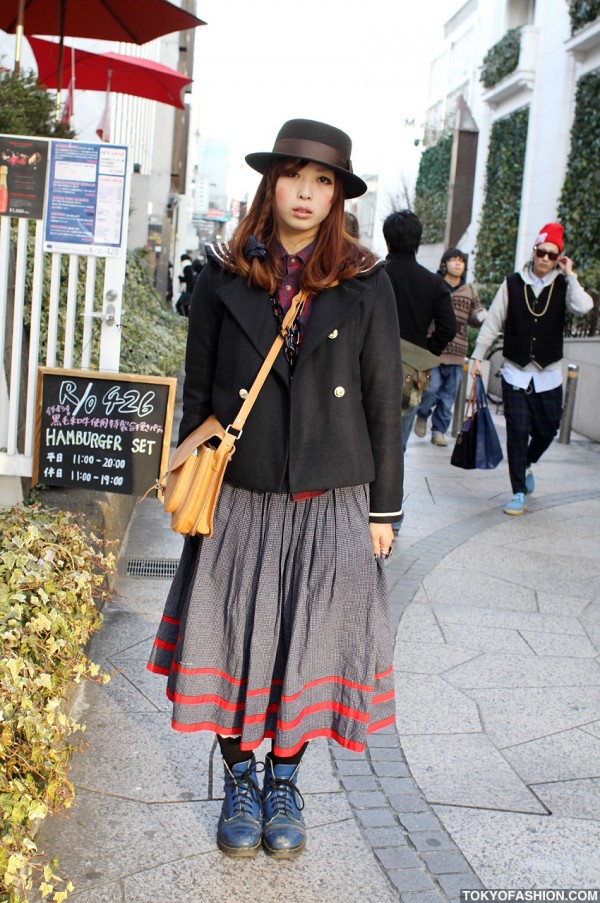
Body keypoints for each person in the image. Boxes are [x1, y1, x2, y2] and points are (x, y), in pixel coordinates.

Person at [147, 119, 404, 860]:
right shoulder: (223, 276)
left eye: (324, 181)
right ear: (273, 182)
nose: (307, 192)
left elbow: (384, 401)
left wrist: (384, 510)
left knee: (309, 639)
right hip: (242, 491)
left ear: (339, 196)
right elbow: (198, 394)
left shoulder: (364, 280)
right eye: (296, 175)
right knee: (232, 631)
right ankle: (239, 778)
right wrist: (187, 480)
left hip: (332, 493)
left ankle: (285, 779)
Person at [471, 222, 593, 516]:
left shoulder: (563, 285)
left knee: (548, 428)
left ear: (559, 258)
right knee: (517, 431)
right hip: (515, 371)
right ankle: (517, 491)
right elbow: (493, 322)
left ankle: (527, 461)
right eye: (542, 252)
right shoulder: (512, 283)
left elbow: (585, 307)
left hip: (548, 374)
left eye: (552, 255)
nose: (545, 259)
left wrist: (571, 275)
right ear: (534, 251)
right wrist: (478, 356)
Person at [382, 210, 457, 452]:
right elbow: (448, 327)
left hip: (373, 362)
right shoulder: (434, 283)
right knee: (398, 443)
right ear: (418, 241)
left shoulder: (375, 275)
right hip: (413, 372)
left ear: (388, 241)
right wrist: (426, 351)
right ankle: (392, 488)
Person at [415, 247, 487, 446]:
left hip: (457, 351)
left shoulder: (469, 290)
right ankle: (422, 414)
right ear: (445, 263)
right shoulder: (435, 284)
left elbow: (474, 317)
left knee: (448, 396)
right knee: (431, 389)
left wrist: (480, 315)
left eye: (461, 261)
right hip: (434, 348)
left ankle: (438, 431)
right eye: (453, 259)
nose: (457, 263)